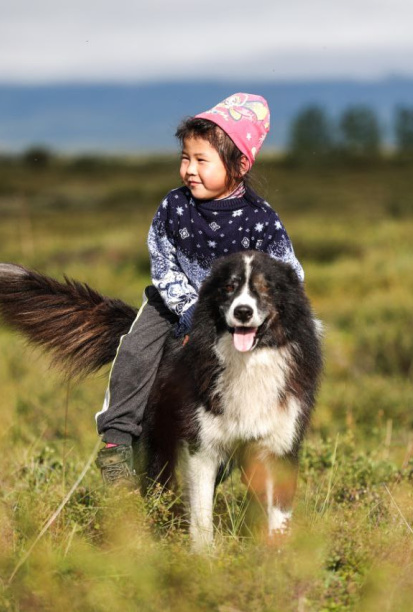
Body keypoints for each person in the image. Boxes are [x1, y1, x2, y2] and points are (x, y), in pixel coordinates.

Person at [94, 93, 305, 484]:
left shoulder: (260, 220)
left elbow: (289, 272)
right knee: (135, 349)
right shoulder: (174, 206)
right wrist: (186, 306)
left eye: (201, 160)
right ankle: (116, 440)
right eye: (185, 158)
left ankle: (232, 454)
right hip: (172, 303)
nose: (189, 169)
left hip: (231, 312)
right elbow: (162, 257)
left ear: (239, 165)